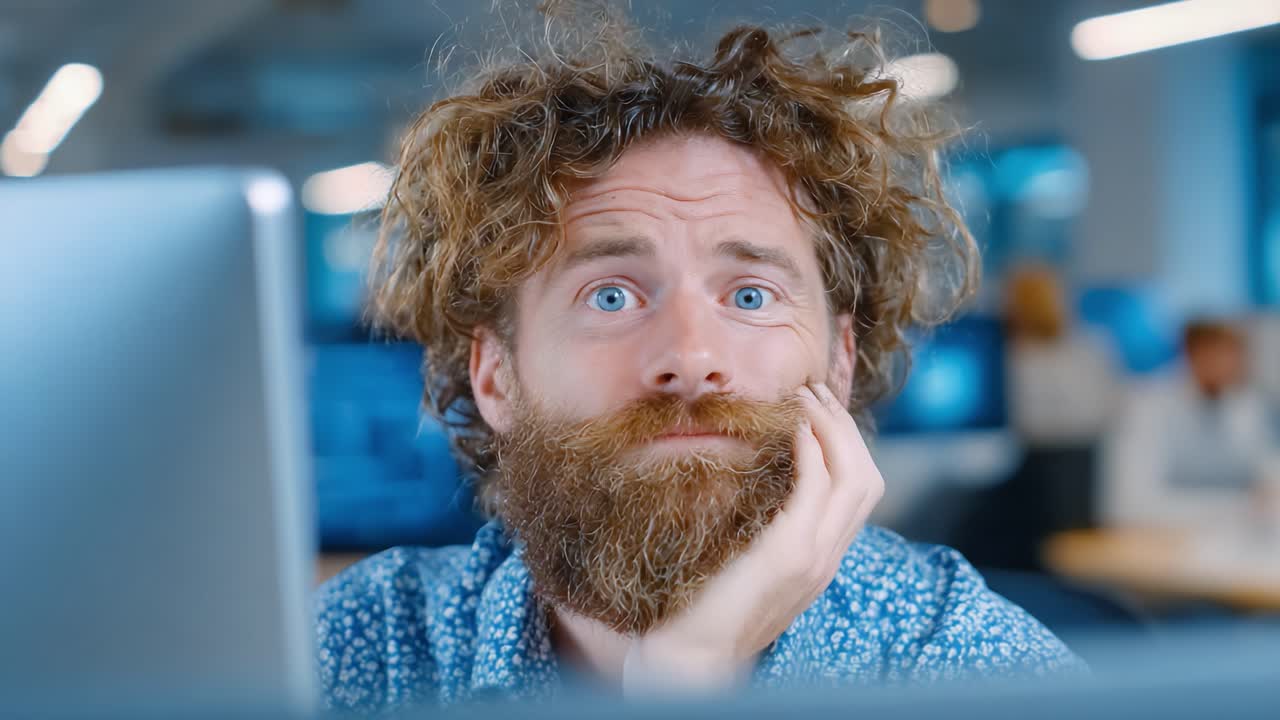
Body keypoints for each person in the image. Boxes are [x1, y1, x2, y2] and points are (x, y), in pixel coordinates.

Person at [314, 4, 1083, 713]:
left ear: (839, 360)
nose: (690, 358)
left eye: (750, 296)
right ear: (495, 377)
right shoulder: (361, 652)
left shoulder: (966, 669)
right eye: (611, 296)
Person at [950, 266, 1119, 571]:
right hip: (1077, 468)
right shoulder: (1091, 345)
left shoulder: (1017, 354)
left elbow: (1029, 421)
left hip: (1043, 469)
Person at [1101, 319, 1277, 529]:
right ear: (1189, 355)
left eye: (1231, 355)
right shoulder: (1148, 405)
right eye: (1212, 354)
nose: (1223, 364)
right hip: (1164, 537)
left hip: (1234, 539)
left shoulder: (1249, 407)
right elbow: (1129, 506)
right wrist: (1235, 507)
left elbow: (1269, 485)